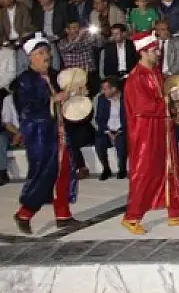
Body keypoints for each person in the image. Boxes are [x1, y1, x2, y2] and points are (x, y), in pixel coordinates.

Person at [121, 31, 179, 234]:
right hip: (145, 134)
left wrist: (173, 104)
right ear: (144, 52)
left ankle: (176, 213)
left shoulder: (155, 73)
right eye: (155, 50)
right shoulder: (135, 78)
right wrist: (167, 103)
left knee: (172, 169)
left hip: (163, 129)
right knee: (144, 173)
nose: (158, 53)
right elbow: (143, 107)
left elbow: (163, 98)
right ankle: (132, 217)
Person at [11, 34, 79, 234]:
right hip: (40, 134)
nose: (46, 56)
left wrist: (73, 95)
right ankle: (25, 213)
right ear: (31, 57)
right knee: (44, 173)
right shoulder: (24, 81)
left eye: (47, 51)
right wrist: (53, 100)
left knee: (65, 170)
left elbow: (63, 100)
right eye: (40, 53)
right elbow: (26, 110)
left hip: (58, 132)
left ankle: (63, 215)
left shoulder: (55, 76)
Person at [93, 77, 127, 181]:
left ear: (114, 89)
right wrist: (108, 132)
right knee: (99, 142)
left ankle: (122, 170)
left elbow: (129, 118)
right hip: (107, 131)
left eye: (105, 89)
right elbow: (99, 118)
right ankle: (106, 169)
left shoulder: (125, 98)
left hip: (121, 130)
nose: (103, 91)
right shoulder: (101, 99)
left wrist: (120, 131)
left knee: (121, 142)